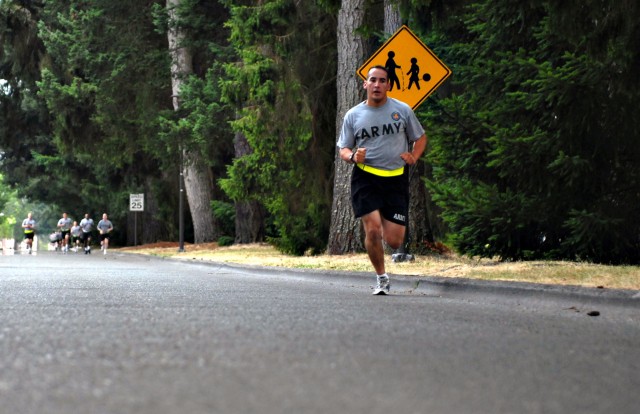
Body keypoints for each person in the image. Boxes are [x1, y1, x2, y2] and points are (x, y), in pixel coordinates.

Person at [337, 65, 427, 295]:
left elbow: (421, 137)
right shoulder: (353, 115)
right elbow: (343, 148)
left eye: (382, 81)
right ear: (365, 84)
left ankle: (386, 248)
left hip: (396, 179)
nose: (377, 85)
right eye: (373, 80)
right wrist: (352, 156)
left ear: (388, 85)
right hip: (366, 178)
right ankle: (381, 277)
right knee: (373, 230)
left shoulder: (402, 110)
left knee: (394, 240)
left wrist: (414, 156)